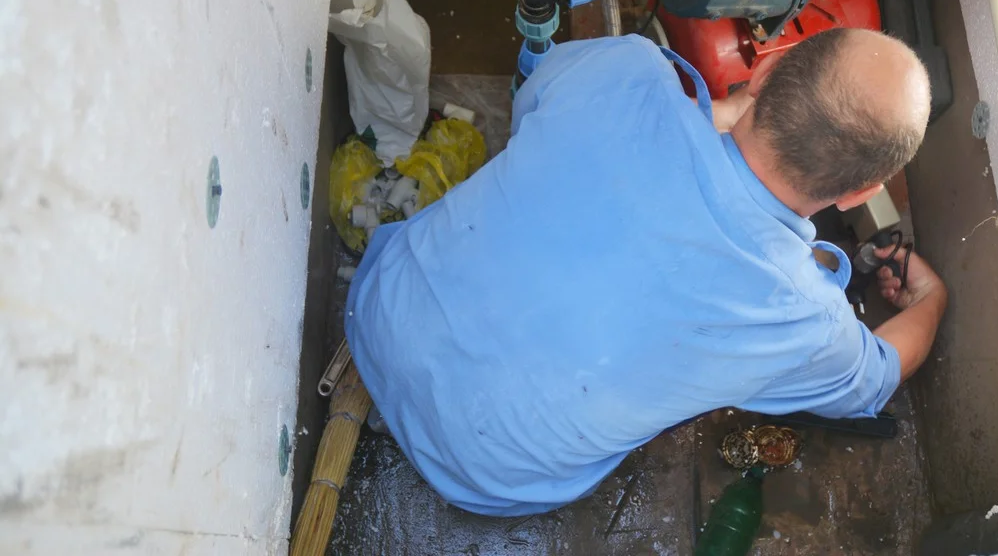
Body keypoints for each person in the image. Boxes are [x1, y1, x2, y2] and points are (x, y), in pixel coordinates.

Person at [345, 28, 949, 517]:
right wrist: (931, 297)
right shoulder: (805, 320)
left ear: (764, 73)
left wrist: (718, 115)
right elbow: (876, 378)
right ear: (860, 193)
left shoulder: (624, 71)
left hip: (377, 312)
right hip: (478, 469)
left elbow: (531, 102)